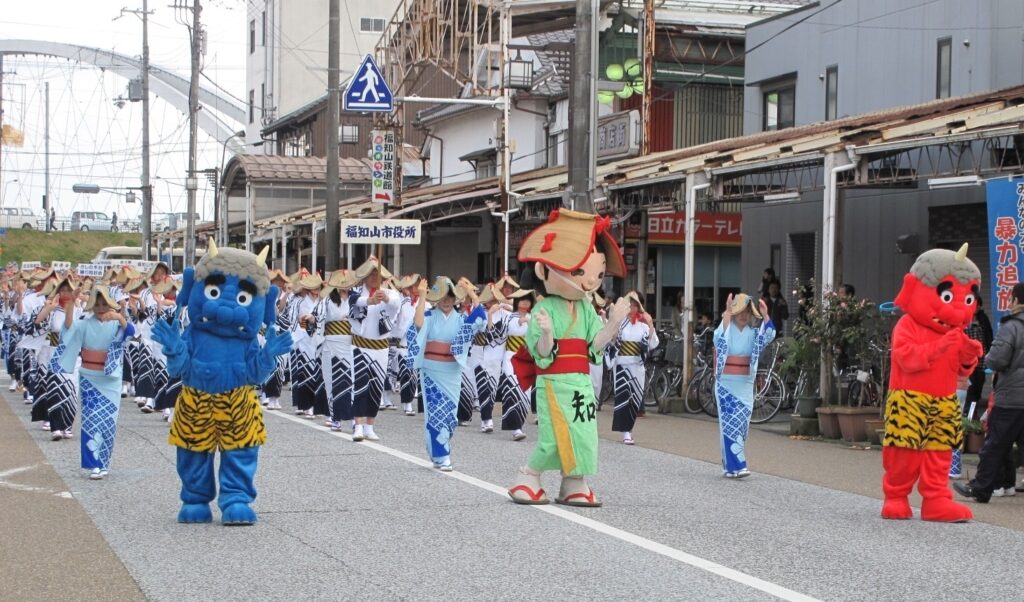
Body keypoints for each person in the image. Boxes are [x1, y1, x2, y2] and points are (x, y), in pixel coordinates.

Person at [506, 209, 630, 507]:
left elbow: (594, 345)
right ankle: (529, 476)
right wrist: (547, 334)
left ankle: (574, 480)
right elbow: (542, 354)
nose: (590, 282)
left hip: (580, 380)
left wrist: (613, 323)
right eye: (580, 272)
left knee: (585, 432)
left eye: (598, 274)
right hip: (554, 381)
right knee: (555, 434)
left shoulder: (587, 309)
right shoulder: (543, 308)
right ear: (544, 271)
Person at [53, 285, 134, 479]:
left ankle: (104, 462)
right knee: (90, 421)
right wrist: (72, 302)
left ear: (110, 305)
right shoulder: (84, 323)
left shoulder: (116, 323)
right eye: (96, 304)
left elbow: (131, 333)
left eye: (104, 304)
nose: (100, 308)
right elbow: (69, 327)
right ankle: (93, 464)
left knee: (108, 422)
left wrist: (120, 317)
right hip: (90, 375)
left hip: (111, 378)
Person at [954, 283, 1024, 504]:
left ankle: (982, 487)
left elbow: (995, 359)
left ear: (1015, 301)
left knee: (995, 443)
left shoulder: (1012, 327)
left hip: (1012, 396)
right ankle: (1007, 484)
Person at [407, 276, 485, 471]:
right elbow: (417, 325)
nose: (447, 299)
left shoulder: (460, 319)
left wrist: (471, 293)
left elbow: (481, 320)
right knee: (436, 414)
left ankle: (437, 451)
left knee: (450, 416)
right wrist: (422, 296)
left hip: (452, 372)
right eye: (442, 296)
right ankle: (443, 456)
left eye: (450, 295)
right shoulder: (430, 316)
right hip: (432, 371)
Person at [713, 293, 775, 478]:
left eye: (748, 312)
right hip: (726, 385)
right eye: (740, 311)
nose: (744, 315)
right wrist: (726, 315)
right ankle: (738, 465)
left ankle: (729, 467)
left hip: (745, 386)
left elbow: (769, 336)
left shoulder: (754, 334)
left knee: (741, 426)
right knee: (730, 426)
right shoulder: (727, 328)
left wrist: (765, 316)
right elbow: (718, 340)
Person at [610, 291, 659, 445]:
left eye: (635, 305)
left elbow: (653, 344)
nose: (632, 308)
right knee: (624, 397)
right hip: (622, 366)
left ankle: (629, 430)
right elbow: (612, 342)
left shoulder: (643, 326)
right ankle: (626, 433)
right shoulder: (620, 323)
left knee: (635, 400)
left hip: (637, 366)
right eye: (630, 305)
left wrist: (650, 324)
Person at [498, 289, 536, 441]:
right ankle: (515, 428)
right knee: (512, 389)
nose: (525, 302)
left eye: (528, 300)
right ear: (516, 302)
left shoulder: (534, 317)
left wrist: (530, 322)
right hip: (511, 357)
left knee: (525, 393)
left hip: (527, 358)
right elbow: (502, 334)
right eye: (522, 300)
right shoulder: (508, 317)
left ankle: (519, 423)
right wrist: (519, 322)